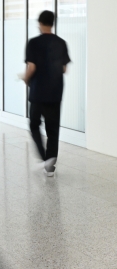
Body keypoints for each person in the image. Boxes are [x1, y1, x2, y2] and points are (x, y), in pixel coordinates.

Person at [21, 11, 70, 177]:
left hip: (38, 91)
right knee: (53, 128)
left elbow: (31, 67)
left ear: (40, 23)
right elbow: (64, 69)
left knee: (34, 124)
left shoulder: (33, 43)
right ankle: (50, 165)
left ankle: (44, 157)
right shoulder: (61, 43)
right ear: (52, 23)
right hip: (55, 91)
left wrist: (26, 79)